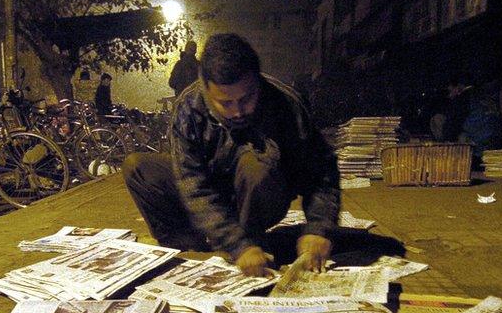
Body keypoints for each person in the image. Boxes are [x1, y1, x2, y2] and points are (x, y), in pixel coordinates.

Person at [123, 33, 340, 277]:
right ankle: (190, 246)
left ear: (257, 81)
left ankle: (253, 243)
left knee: (255, 164)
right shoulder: (188, 109)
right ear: (205, 87)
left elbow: (321, 171)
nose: (237, 112)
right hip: (214, 190)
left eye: (246, 99)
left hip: (260, 192)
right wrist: (232, 242)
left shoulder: (285, 104)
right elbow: (193, 185)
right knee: (138, 167)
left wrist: (319, 228)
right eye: (225, 103)